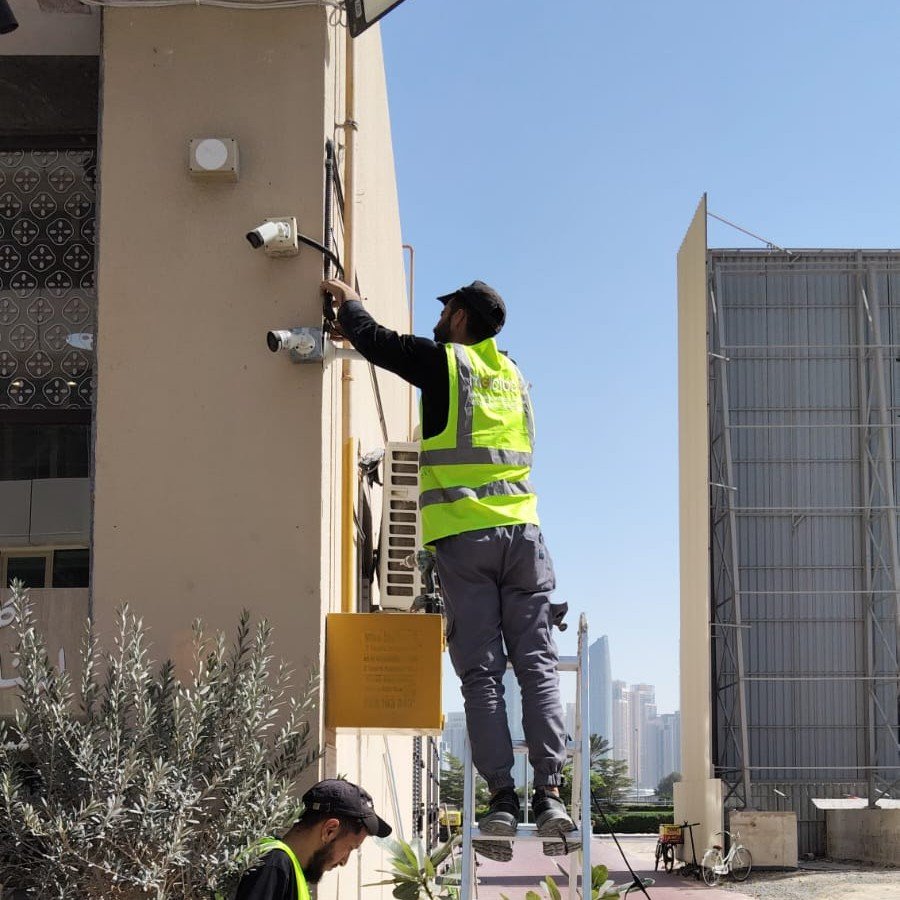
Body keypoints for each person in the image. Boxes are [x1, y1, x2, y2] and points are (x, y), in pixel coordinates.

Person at [322, 277, 578, 860]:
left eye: (446, 312)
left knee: (482, 675)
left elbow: (379, 342)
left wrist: (347, 303)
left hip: (467, 541)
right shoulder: (512, 375)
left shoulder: (446, 365)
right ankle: (551, 796)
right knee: (537, 668)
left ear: (460, 317)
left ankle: (503, 801)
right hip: (525, 537)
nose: (439, 321)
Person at [234, 778, 392, 900]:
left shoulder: (287, 869)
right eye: (350, 848)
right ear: (329, 830)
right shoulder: (274, 864)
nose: (344, 861)